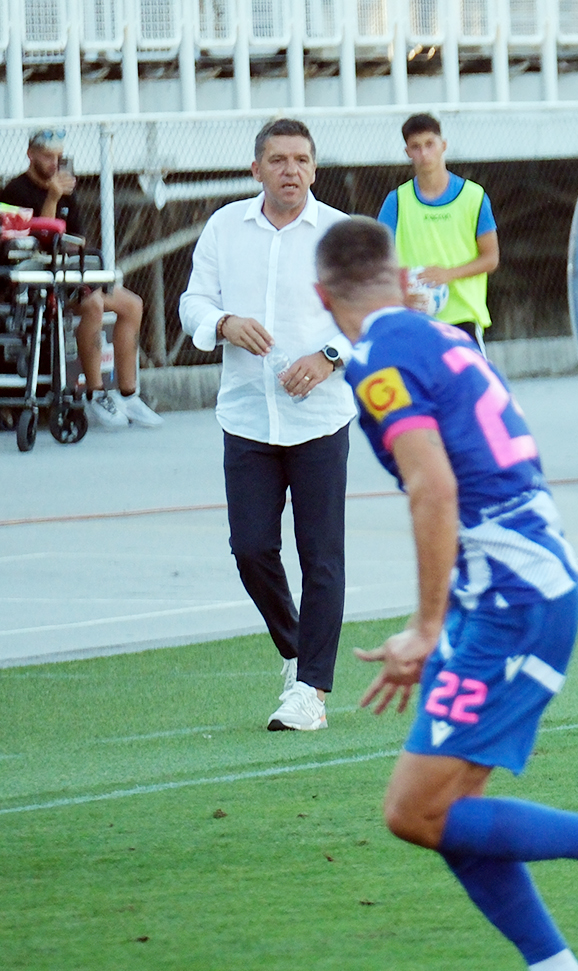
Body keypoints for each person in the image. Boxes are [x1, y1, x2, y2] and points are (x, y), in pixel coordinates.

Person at [319, 216, 578, 971]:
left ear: (320, 295)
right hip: (511, 589)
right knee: (445, 812)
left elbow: (434, 487)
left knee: (415, 811)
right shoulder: (442, 337)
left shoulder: (377, 359)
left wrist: (425, 625)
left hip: (510, 599)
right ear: (400, 273)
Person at [178, 118, 355, 732]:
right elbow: (193, 303)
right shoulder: (225, 227)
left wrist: (327, 357)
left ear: (314, 167)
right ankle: (296, 651)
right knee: (251, 549)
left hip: (321, 420)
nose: (290, 170)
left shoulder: (340, 234)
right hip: (248, 415)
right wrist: (224, 322)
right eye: (278, 160)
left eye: (302, 160)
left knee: (321, 557)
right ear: (257, 168)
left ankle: (311, 691)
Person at [2, 128, 159, 430]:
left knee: (131, 305)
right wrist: (52, 196)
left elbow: (75, 236)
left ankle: (129, 394)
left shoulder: (66, 189)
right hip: (36, 280)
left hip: (70, 271)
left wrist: (70, 234)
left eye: (58, 157)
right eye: (47, 156)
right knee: (93, 305)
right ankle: (95, 393)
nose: (53, 163)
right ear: (31, 155)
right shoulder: (15, 190)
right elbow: (42, 235)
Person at [377, 113, 499, 345]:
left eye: (429, 144)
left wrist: (447, 274)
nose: (424, 154)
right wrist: (401, 292)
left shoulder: (474, 197)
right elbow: (377, 261)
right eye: (416, 147)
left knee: (469, 382)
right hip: (413, 317)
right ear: (407, 153)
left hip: (462, 318)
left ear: (443, 146)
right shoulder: (397, 201)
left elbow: (491, 258)